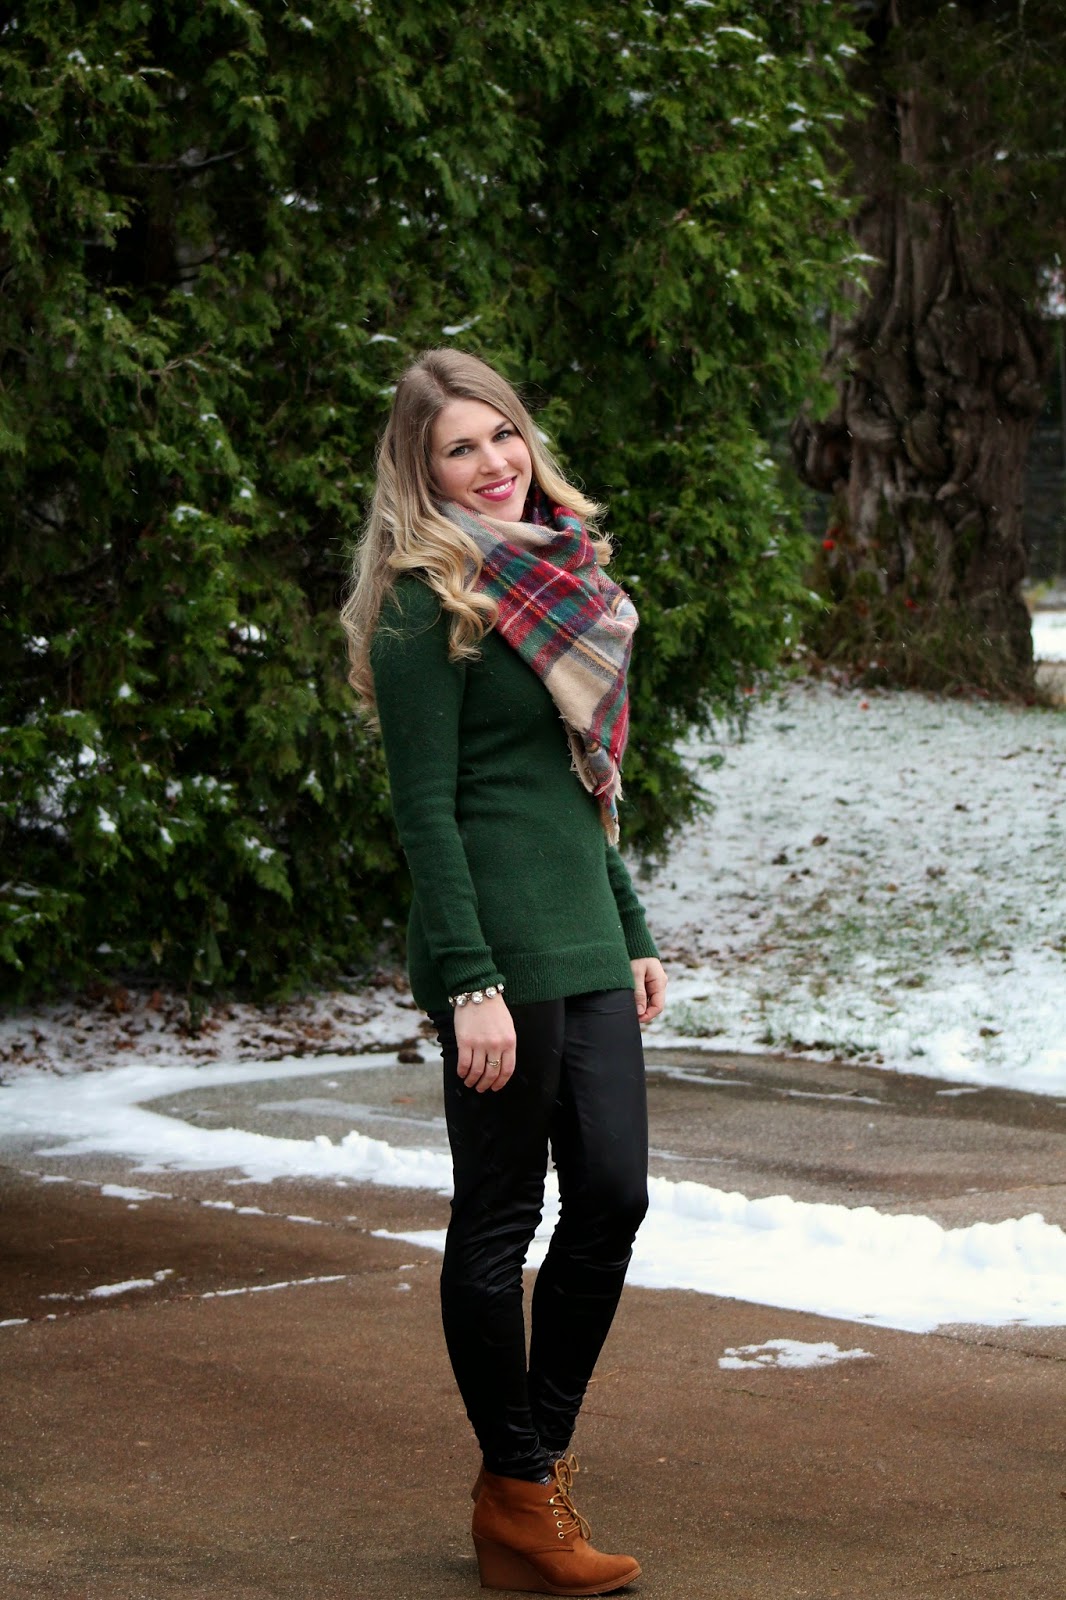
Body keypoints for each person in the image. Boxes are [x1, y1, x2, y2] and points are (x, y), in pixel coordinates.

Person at [342, 348, 666, 1595]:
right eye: (458, 449)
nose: (491, 465)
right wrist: (467, 980)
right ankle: (522, 1495)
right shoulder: (426, 601)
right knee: (498, 1217)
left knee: (614, 1197)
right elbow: (425, 812)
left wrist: (629, 922)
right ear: (421, 472)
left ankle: (527, 1472)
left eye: (500, 436)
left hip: (581, 929)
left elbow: (579, 781)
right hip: (495, 951)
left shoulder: (562, 578)